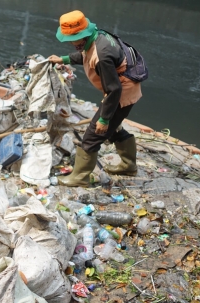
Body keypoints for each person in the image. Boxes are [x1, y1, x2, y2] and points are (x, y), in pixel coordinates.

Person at [48, 10, 141, 187]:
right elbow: (84, 54)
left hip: (121, 93)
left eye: (71, 39)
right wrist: (64, 59)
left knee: (92, 136)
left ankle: (79, 178)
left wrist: (104, 119)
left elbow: (114, 90)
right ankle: (128, 165)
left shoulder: (102, 56)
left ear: (81, 35)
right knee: (113, 128)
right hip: (121, 88)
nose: (70, 43)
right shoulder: (97, 36)